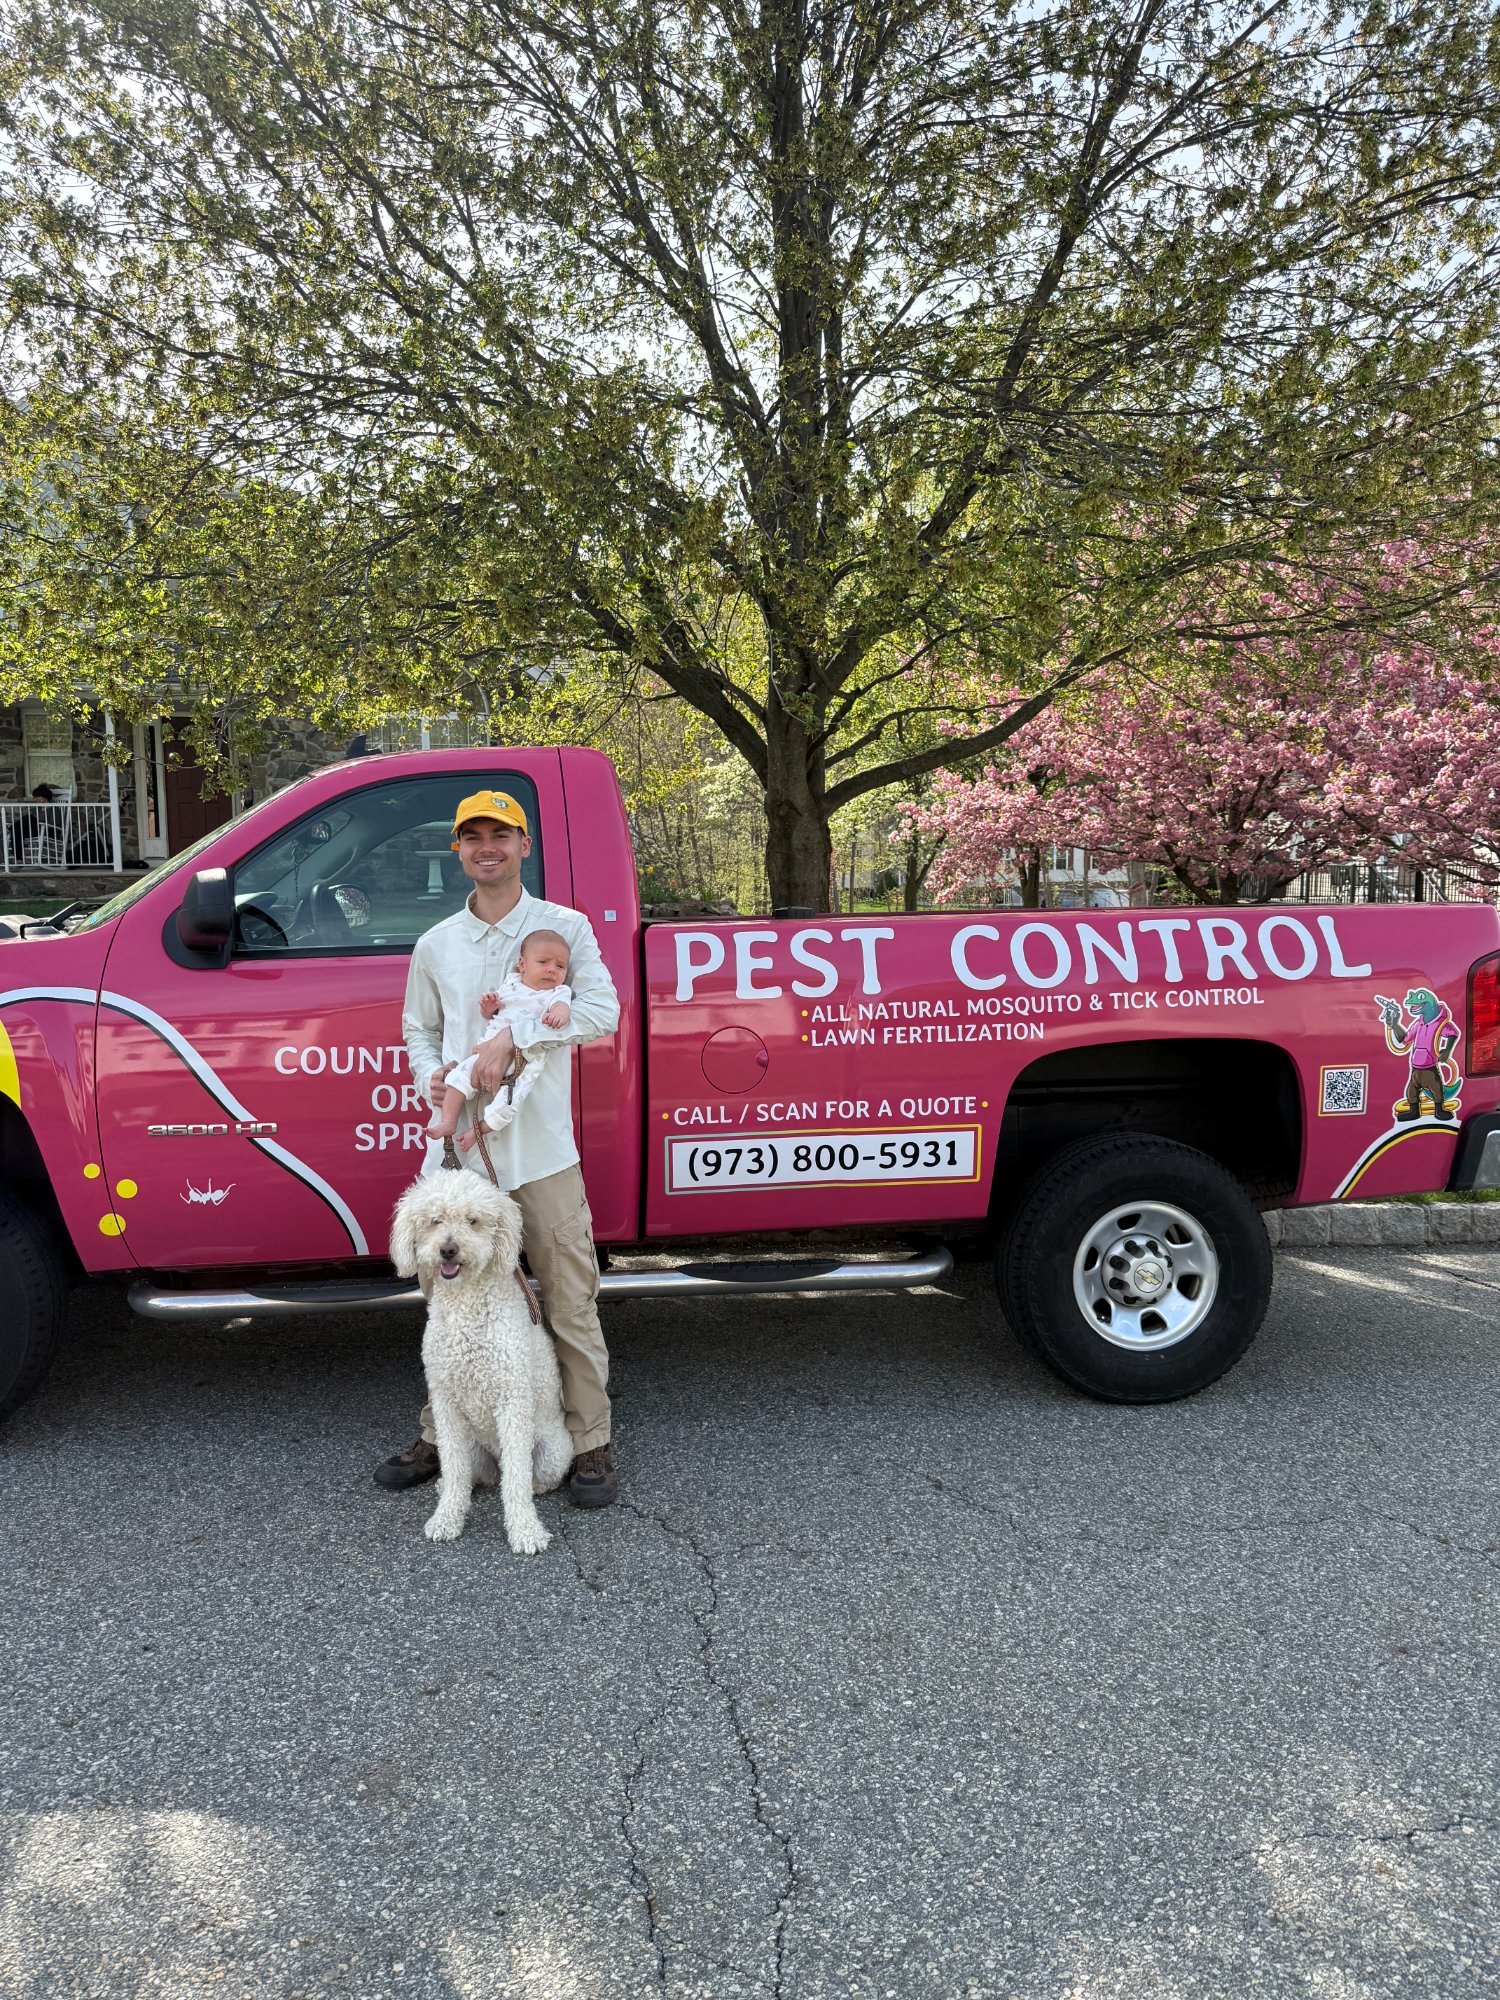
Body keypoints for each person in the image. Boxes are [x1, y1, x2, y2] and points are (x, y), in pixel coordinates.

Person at [376, 789, 622, 1507]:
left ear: (524, 845)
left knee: (569, 1298)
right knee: (445, 1299)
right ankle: (440, 1430)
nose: (487, 846)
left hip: (539, 1148)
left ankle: (589, 1441)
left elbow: (602, 1009)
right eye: (472, 835)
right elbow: (418, 1028)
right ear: (457, 850)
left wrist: (517, 1034)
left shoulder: (563, 927)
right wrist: (432, 1076)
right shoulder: (436, 943)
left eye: (501, 834)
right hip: (458, 1157)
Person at [426, 928, 573, 1149]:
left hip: (525, 1062)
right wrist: (489, 1007)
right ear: (522, 964)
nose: (552, 969)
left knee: (508, 1104)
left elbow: (563, 1008)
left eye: (560, 966)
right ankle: (448, 1121)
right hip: (486, 1051)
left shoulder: (557, 993)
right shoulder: (512, 983)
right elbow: (492, 1015)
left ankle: (478, 1132)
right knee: (457, 1079)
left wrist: (559, 1014)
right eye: (543, 962)